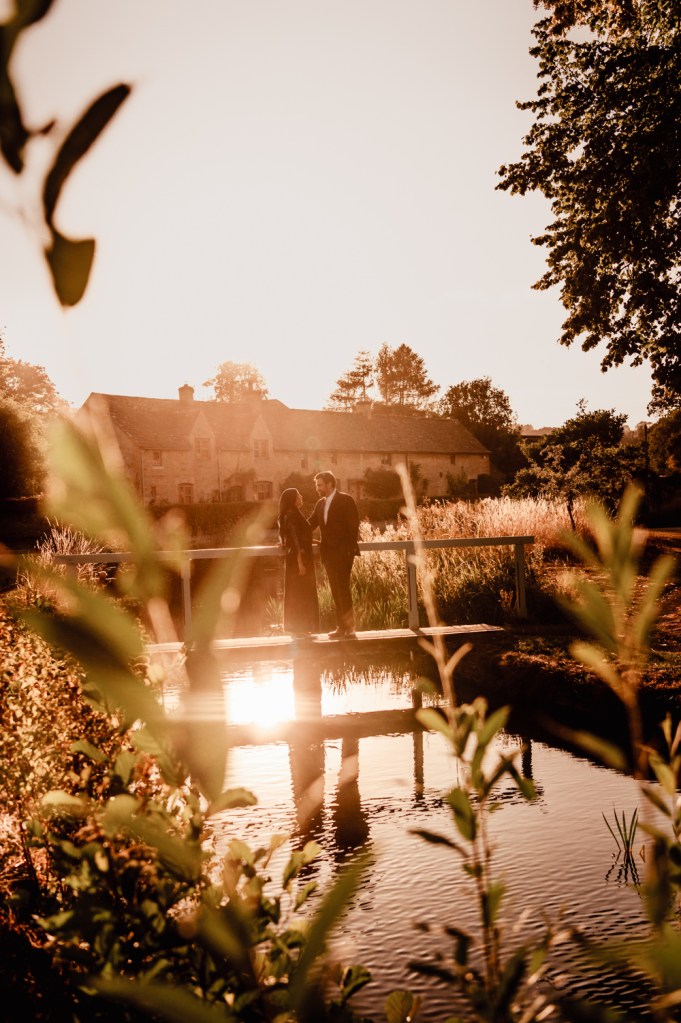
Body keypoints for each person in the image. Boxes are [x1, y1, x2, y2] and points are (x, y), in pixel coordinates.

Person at [308, 470, 360, 639]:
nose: (317, 488)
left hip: (343, 553)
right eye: (317, 485)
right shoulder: (320, 504)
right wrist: (288, 535)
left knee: (342, 588)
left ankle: (350, 629)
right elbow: (310, 524)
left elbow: (353, 526)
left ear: (330, 484)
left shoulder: (346, 500)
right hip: (328, 554)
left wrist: (348, 550)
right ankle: (340, 627)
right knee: (335, 590)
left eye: (320, 485)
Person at [278, 487, 319, 637]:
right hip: (300, 560)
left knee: (298, 593)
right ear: (293, 499)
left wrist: (318, 542)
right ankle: (301, 628)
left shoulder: (291, 513)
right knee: (301, 593)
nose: (301, 496)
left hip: (298, 558)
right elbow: (295, 542)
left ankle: (299, 627)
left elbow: (299, 537)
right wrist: (300, 563)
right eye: (298, 495)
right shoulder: (292, 515)